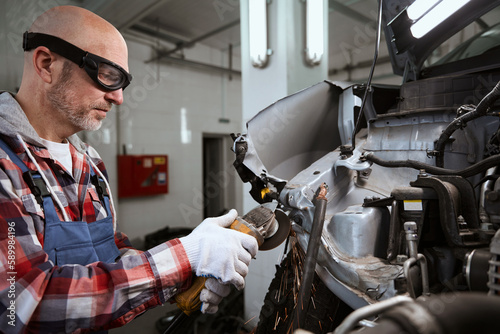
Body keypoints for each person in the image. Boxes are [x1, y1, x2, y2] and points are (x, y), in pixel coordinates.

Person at [0, 5, 258, 333]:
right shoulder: (6, 163)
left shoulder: (89, 163)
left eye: (123, 82)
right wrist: (186, 254)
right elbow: (25, 304)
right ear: (46, 64)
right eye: (108, 75)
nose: (119, 97)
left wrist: (194, 269)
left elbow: (111, 258)